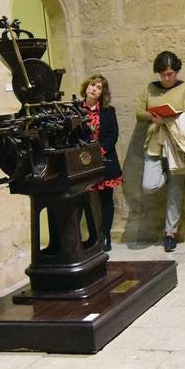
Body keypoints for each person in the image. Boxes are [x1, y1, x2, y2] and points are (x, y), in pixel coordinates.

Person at [137, 51, 185, 252]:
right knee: (149, 184)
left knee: (175, 190)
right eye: (164, 74)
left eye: (171, 73)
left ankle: (170, 234)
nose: (167, 78)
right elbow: (139, 113)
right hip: (155, 143)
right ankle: (165, 173)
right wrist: (152, 116)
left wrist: (169, 117)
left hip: (176, 145)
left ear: (176, 72)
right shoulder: (150, 88)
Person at [79, 74, 122, 251]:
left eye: (98, 87)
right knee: (81, 201)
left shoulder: (108, 110)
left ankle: (105, 236)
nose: (94, 88)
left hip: (105, 160)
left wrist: (100, 151)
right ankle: (84, 239)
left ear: (102, 93)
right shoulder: (74, 109)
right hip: (81, 162)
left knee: (106, 200)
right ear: (86, 87)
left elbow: (113, 134)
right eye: (91, 85)